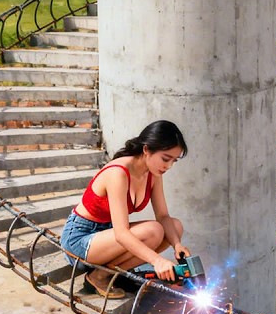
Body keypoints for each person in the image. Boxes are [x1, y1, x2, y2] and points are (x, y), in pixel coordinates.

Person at [60, 120, 189, 299]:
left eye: (174, 161)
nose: (169, 166)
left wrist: (177, 245)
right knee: (154, 231)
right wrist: (157, 261)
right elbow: (121, 233)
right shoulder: (118, 173)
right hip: (81, 240)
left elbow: (163, 215)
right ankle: (98, 276)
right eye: (165, 159)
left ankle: (109, 273)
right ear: (146, 149)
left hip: (107, 238)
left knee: (175, 227)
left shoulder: (153, 173)